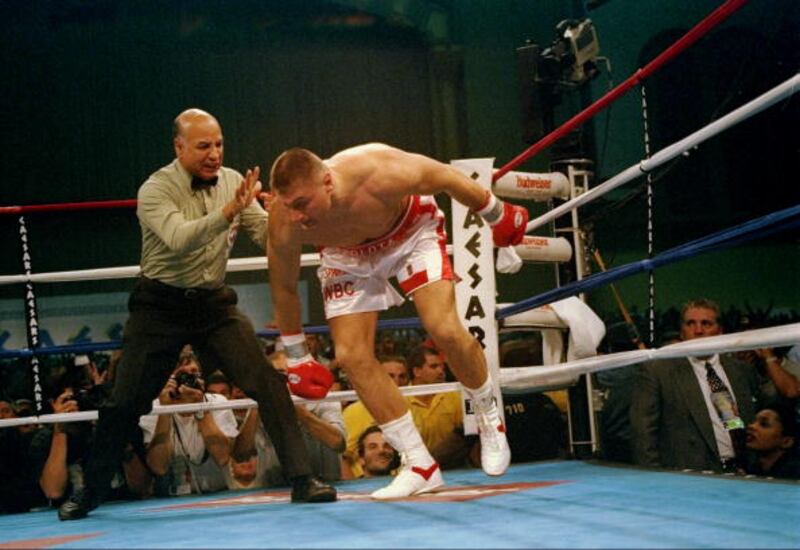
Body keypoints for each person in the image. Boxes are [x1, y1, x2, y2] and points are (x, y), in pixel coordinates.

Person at [58, 109, 335, 521]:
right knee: (124, 401)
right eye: (204, 146)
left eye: (219, 144)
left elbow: (264, 234)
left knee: (267, 382)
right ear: (179, 147)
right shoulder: (156, 189)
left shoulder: (233, 181)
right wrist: (228, 212)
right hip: (159, 306)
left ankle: (302, 479)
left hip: (212, 305)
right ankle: (91, 491)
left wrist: (286, 213)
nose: (214, 154)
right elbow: (178, 239)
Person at [267, 143, 526, 498]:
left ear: (327, 182)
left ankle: (488, 417)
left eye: (302, 204)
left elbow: (446, 177)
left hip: (410, 233)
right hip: (345, 255)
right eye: (288, 205)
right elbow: (283, 287)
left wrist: (495, 213)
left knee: (444, 329)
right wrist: (297, 354)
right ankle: (419, 463)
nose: (296, 215)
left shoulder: (377, 169)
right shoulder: (283, 218)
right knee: (350, 356)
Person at [630, 298, 765, 473]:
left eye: (706, 324)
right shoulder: (658, 372)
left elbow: (744, 423)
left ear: (720, 331)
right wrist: (656, 481)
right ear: (682, 332)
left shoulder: (741, 370)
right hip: (688, 478)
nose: (698, 330)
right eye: (690, 324)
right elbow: (643, 436)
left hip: (742, 473)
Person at [139, 350, 237, 495]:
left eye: (193, 374)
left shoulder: (218, 403)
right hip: (171, 497)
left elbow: (222, 457)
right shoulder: (153, 408)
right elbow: (159, 467)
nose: (188, 380)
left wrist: (200, 408)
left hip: (217, 494)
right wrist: (164, 410)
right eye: (182, 375)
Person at [745, 405, 800, 479]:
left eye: (764, 424)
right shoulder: (752, 467)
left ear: (786, 442)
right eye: (753, 422)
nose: (751, 426)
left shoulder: (793, 475)